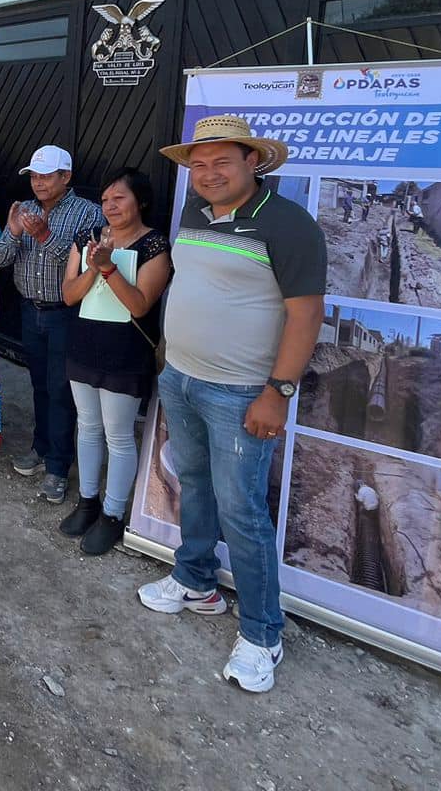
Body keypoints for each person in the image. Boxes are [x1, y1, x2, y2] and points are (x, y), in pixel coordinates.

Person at [138, 115, 325, 695]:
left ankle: (264, 633)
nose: (209, 173)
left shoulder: (289, 225)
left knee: (242, 508)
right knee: (194, 482)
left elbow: (306, 313)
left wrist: (280, 390)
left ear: (254, 163)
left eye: (222, 162)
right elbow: (190, 289)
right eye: (198, 164)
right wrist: (170, 357)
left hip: (242, 391)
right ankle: (195, 580)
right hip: (183, 379)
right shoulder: (194, 213)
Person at [59, 168, 172, 555]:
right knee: (88, 427)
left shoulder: (154, 245)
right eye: (106, 200)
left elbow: (140, 303)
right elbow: (70, 295)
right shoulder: (85, 239)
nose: (110, 206)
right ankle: (88, 501)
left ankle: (112, 513)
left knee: (119, 435)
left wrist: (108, 266)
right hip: (84, 345)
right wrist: (93, 265)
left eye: (119, 198)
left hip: (125, 352)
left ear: (140, 202)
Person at [0, 144, 104, 502]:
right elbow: (1, 258)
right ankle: (40, 448)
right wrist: (11, 231)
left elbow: (88, 267)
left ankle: (58, 466)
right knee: (38, 384)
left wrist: (44, 236)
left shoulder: (88, 214)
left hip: (65, 314)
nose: (38, 183)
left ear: (66, 177)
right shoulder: (24, 210)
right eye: (35, 177)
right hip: (30, 310)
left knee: (60, 390)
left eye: (46, 176)